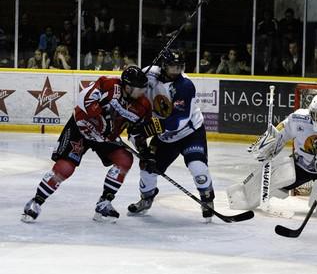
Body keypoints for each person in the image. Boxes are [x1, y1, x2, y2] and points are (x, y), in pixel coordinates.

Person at [22, 66, 151, 223]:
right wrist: (101, 117)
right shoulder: (108, 85)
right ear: (128, 86)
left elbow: (136, 132)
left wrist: (144, 150)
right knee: (65, 168)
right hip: (81, 128)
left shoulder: (143, 106)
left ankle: (104, 204)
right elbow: (84, 101)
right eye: (140, 88)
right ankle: (36, 202)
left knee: (125, 160)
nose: (143, 92)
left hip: (105, 137)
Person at [127, 50, 216, 223]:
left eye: (179, 67)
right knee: (147, 167)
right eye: (173, 67)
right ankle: (146, 198)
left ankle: (207, 200)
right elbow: (133, 90)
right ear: (163, 66)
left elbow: (178, 121)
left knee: (198, 167)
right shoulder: (150, 73)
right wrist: (140, 143)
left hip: (190, 133)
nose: (176, 71)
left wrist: (148, 129)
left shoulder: (185, 86)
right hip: (164, 138)